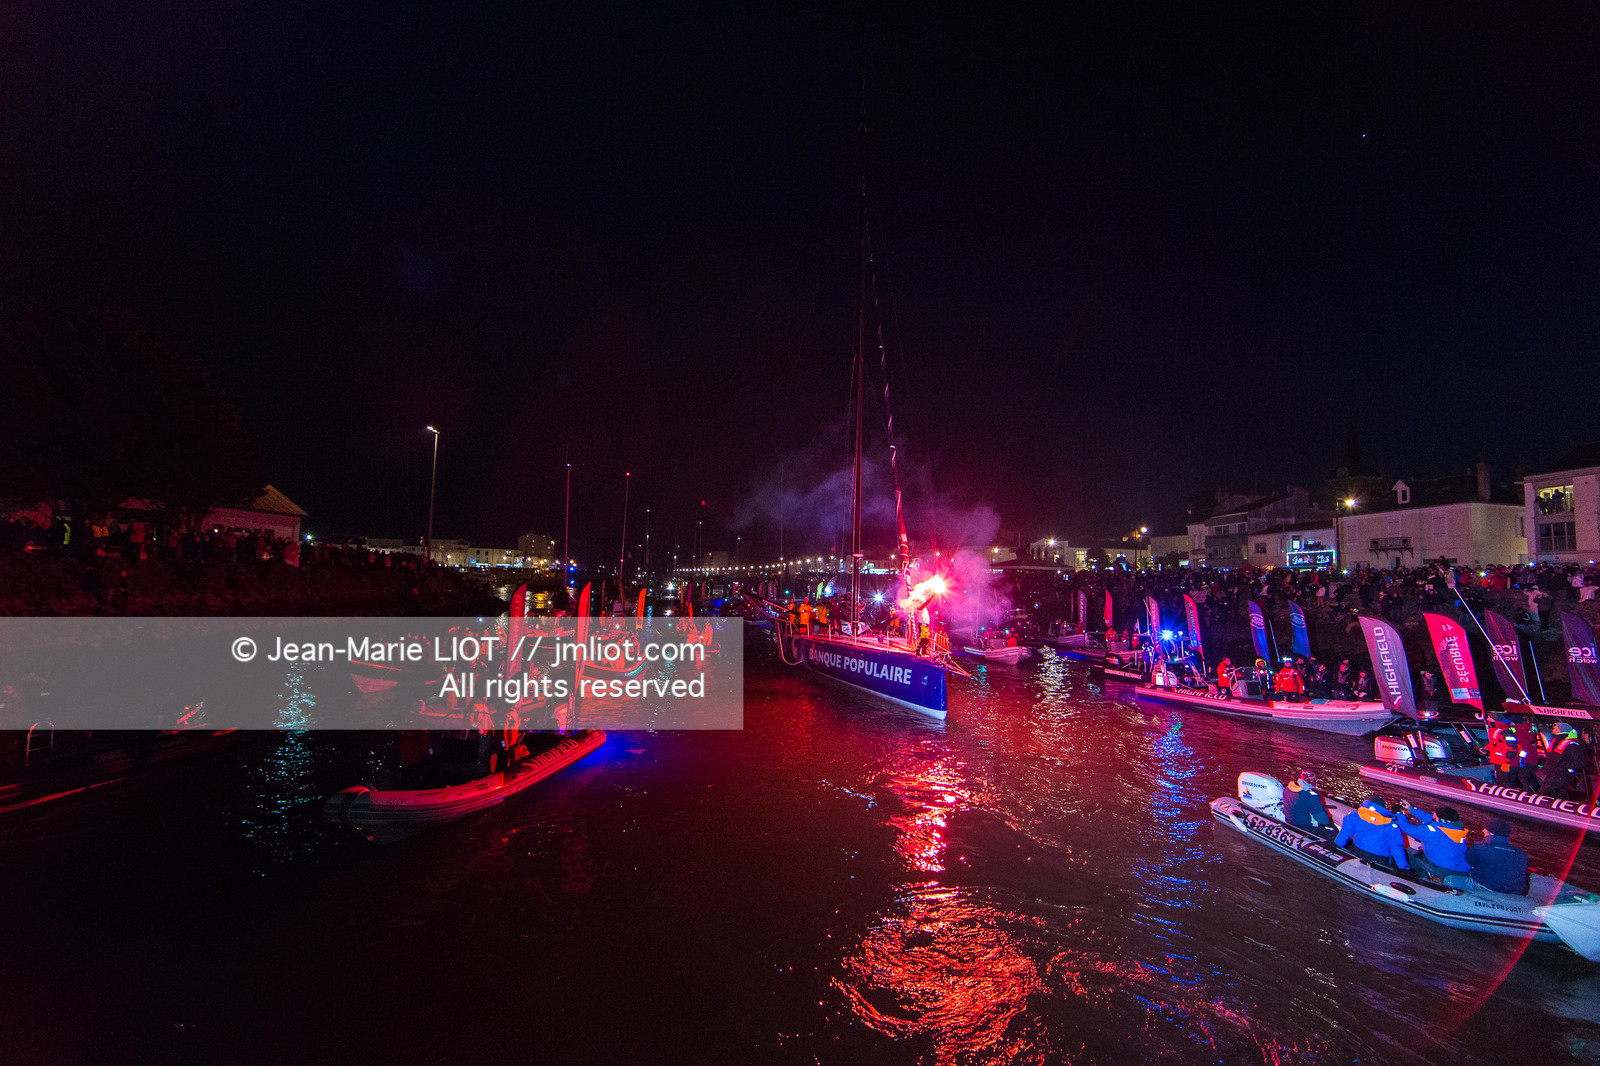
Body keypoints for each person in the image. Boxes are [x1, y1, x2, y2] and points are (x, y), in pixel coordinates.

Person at [1392, 801, 1472, 886]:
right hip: (1462, 870)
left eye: (1434, 816)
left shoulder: (1433, 832)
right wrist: (1411, 809)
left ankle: (1423, 880)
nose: (1432, 817)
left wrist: (1399, 814)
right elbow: (1429, 819)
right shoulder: (1457, 829)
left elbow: (1408, 828)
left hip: (1443, 870)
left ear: (1440, 819)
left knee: (1406, 856)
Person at [1335, 796, 1410, 869]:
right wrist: (1403, 867)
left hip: (1357, 852)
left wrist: (1336, 847)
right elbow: (1396, 847)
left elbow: (1344, 834)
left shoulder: (1353, 816)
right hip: (1379, 859)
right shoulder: (1391, 825)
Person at [1467, 819, 1530, 896]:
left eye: (1485, 829)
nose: (1483, 830)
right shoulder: (1521, 854)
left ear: (1491, 833)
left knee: (1451, 879)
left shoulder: (1480, 847)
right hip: (1514, 891)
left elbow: (1469, 862)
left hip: (1486, 887)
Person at [1540, 723, 1588, 797]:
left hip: (1561, 775)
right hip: (1552, 773)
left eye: (1555, 729)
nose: (1553, 730)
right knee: (1559, 795)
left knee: (1546, 793)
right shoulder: (1555, 741)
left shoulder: (1571, 744)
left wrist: (1568, 769)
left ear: (1562, 730)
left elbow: (1580, 761)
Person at [1283, 770, 1334, 834]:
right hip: (1304, 826)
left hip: (1290, 821)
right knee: (1333, 832)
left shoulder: (1288, 787)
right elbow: (1324, 820)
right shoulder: (1311, 796)